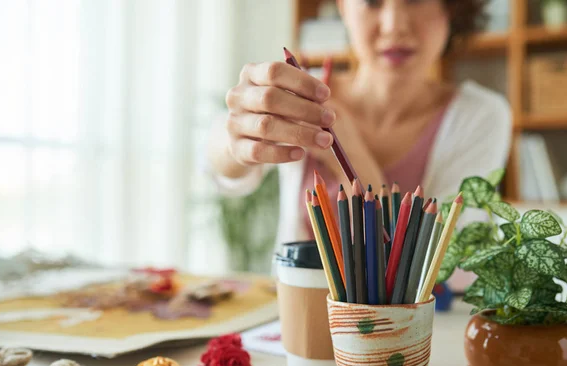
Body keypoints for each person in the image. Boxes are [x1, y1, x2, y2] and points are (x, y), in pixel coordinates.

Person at [207, 0, 511, 253]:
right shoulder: (301, 91)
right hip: (302, 316)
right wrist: (237, 137)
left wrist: (345, 150)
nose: (393, 25)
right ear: (343, 7)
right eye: (372, 1)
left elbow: (430, 260)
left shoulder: (482, 116)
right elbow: (219, 167)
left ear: (452, 7)